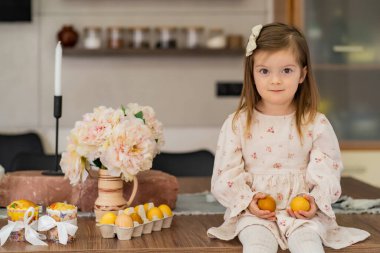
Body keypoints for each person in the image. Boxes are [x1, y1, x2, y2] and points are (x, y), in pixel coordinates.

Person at [207, 22, 370, 253]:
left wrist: (314, 201)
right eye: (264, 71)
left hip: (303, 215)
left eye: (286, 70)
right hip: (253, 215)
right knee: (257, 244)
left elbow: (328, 170)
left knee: (308, 245)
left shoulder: (316, 123)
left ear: (302, 74)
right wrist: (248, 201)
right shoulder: (237, 123)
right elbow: (225, 175)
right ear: (252, 73)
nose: (275, 80)